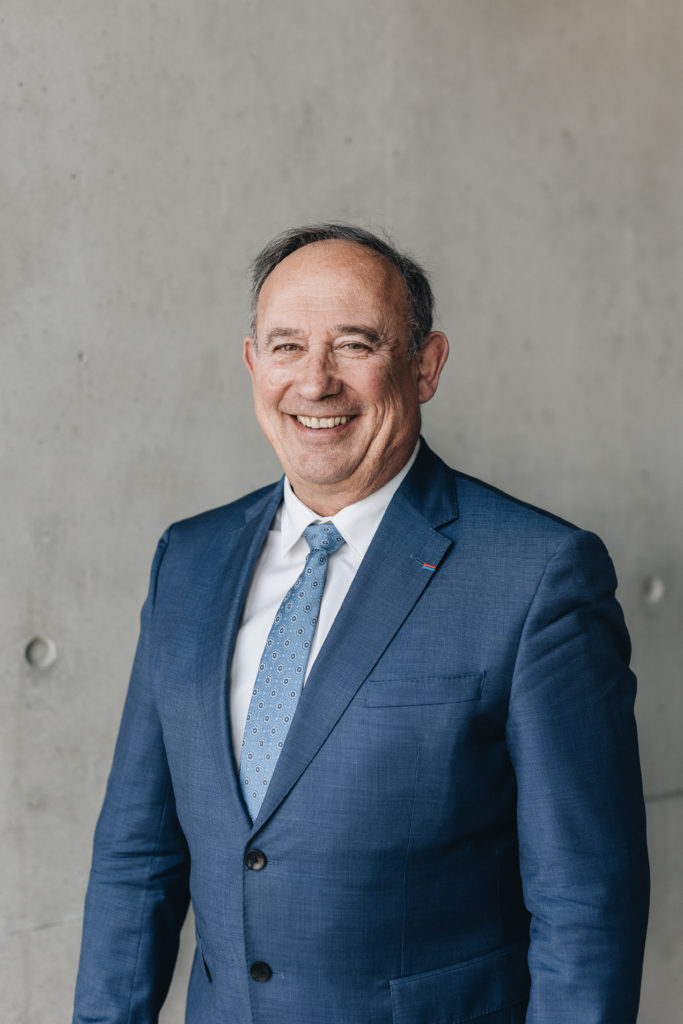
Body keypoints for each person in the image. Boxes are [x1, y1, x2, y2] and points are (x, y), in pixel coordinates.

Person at [73, 224, 649, 1024]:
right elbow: (137, 860)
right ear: (251, 365)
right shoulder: (188, 560)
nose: (314, 383)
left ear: (425, 364)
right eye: (286, 347)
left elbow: (585, 902)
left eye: (353, 344)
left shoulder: (537, 575)